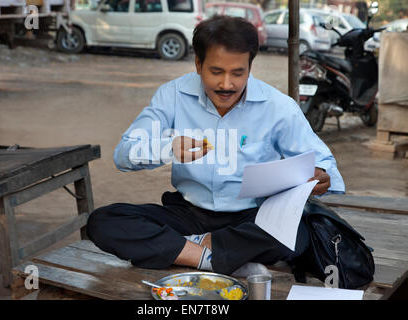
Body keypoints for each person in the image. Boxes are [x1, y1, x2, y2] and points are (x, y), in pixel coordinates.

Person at [86, 15, 345, 276]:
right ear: (198, 64)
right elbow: (123, 154)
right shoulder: (172, 96)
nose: (226, 84)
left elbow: (325, 166)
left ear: (250, 66)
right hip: (187, 215)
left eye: (238, 73)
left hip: (250, 217)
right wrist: (168, 148)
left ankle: (189, 251)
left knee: (296, 233)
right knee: (103, 222)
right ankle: (216, 257)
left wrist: (320, 175)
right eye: (216, 72)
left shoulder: (278, 106)